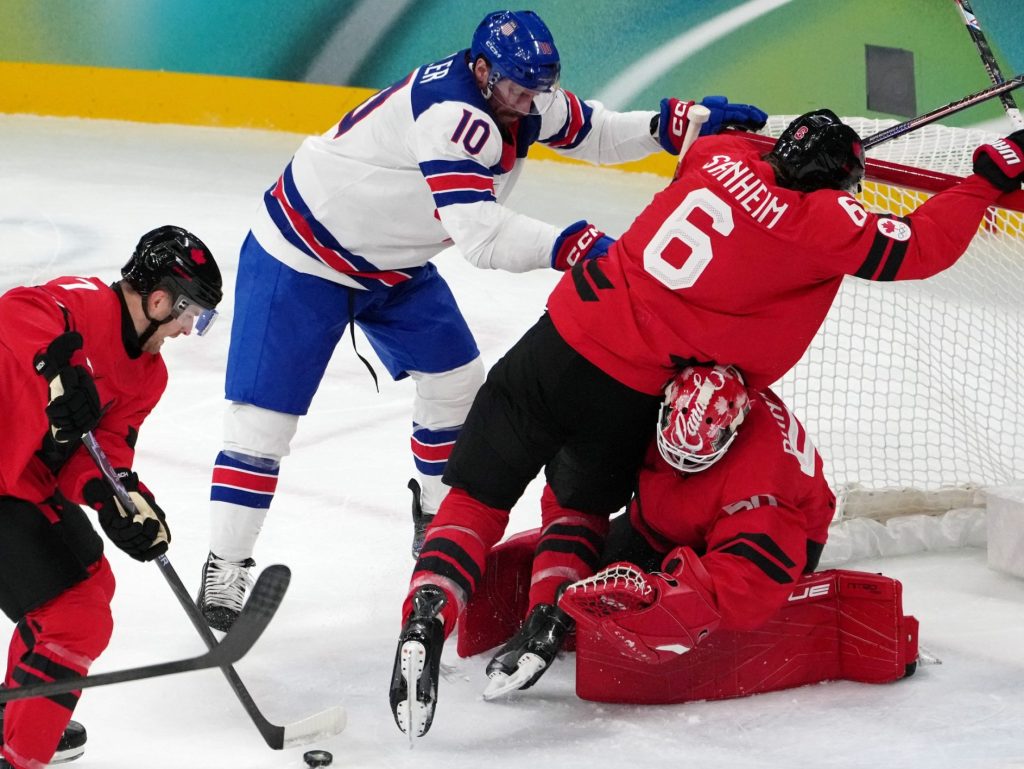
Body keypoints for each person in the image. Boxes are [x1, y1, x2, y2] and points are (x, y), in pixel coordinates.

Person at [388, 110, 1024, 737]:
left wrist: (731, 124)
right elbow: (922, 248)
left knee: (475, 496)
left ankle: (427, 613)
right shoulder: (822, 220)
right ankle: (550, 619)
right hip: (631, 386)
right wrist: (987, 180)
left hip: (555, 340)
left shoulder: (720, 156)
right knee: (577, 510)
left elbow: (714, 134)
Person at [197, 7, 768, 632]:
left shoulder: (518, 94)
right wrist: (571, 247)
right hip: (302, 257)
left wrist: (671, 124)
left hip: (391, 265)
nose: (527, 103)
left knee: (456, 382)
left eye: (536, 90)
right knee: (264, 422)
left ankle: (439, 519)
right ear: (481, 69)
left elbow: (595, 132)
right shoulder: (454, 116)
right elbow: (480, 236)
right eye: (517, 88)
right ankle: (225, 565)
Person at [456, 364, 836, 698]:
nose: (682, 463)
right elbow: (574, 492)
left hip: (774, 538)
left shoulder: (762, 486)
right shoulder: (643, 400)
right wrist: (548, 596)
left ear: (732, 432)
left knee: (681, 605)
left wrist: (663, 597)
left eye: (694, 460)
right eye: (675, 453)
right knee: (609, 570)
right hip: (666, 517)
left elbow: (746, 583)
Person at [0, 226, 222, 769]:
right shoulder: (80, 303)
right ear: (159, 297)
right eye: (189, 313)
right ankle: (19, 754)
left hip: (19, 482)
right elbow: (16, 310)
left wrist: (116, 498)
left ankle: (20, 720)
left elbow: (102, 451)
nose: (188, 329)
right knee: (76, 617)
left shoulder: (149, 375)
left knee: (93, 583)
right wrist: (56, 365)